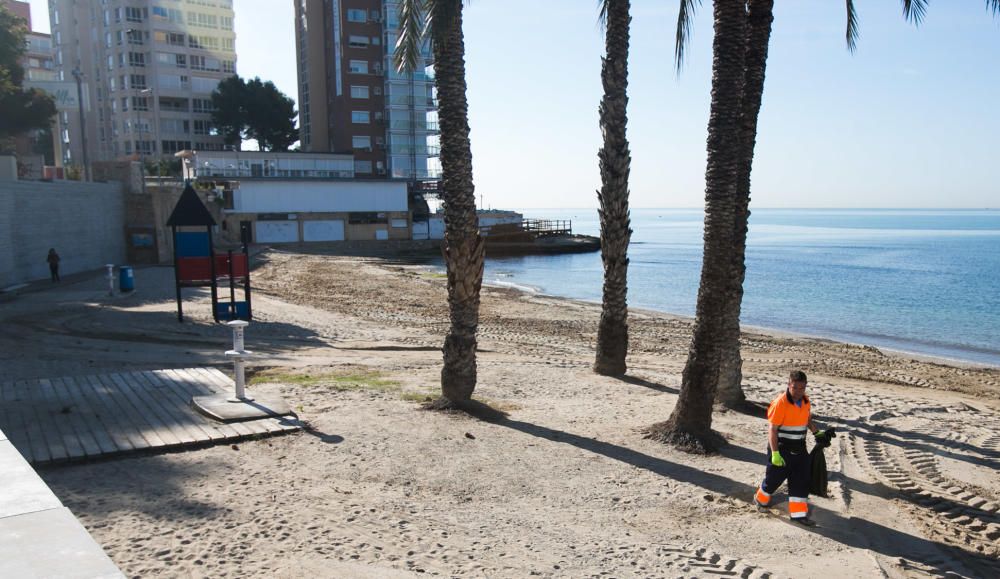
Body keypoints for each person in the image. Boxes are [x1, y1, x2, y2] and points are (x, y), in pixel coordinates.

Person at [753, 370, 828, 526]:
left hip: (800, 447)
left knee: (801, 480)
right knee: (774, 480)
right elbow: (772, 430)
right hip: (782, 448)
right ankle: (760, 499)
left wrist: (817, 432)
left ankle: (799, 515)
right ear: (789, 385)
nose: (798, 391)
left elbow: (807, 420)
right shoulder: (780, 403)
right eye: (795, 387)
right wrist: (775, 453)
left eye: (802, 388)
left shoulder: (806, 401)